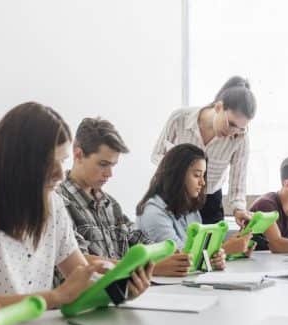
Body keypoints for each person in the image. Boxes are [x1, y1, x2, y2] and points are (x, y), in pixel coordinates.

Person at [0, 103, 152, 308]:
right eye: (49, 162)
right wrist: (55, 297)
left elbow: (84, 283)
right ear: (20, 162)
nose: (61, 174)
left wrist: (123, 291)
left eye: (62, 162)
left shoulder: (54, 205)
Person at [56, 117, 195, 277]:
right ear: (78, 154)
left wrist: (179, 257)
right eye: (103, 164)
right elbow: (77, 261)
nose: (109, 174)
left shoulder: (111, 205)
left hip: (120, 295)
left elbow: (140, 241)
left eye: (112, 165)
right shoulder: (59, 203)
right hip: (87, 298)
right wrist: (151, 267)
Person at [151, 76, 256, 227]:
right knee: (177, 249)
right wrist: (180, 173)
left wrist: (239, 210)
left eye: (241, 127)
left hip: (209, 203)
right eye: (231, 124)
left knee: (211, 250)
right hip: (175, 196)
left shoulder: (240, 138)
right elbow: (157, 154)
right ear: (219, 107)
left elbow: (238, 182)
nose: (233, 132)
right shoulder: (180, 118)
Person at [136, 143, 250, 263]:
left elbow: (200, 253)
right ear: (177, 175)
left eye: (203, 176)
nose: (203, 182)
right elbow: (180, 259)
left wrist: (236, 252)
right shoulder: (153, 212)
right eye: (197, 175)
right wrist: (226, 249)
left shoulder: (190, 210)